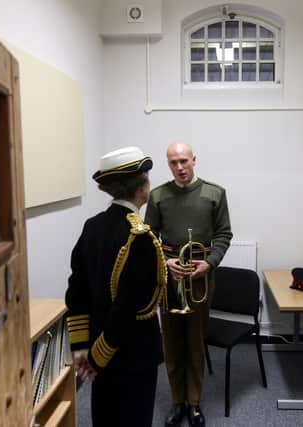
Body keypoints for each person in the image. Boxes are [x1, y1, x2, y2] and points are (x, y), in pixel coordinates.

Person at [65, 146, 168, 427]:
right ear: (143, 188)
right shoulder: (141, 237)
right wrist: (97, 359)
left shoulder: (92, 226)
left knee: (105, 418)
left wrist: (82, 348)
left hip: (98, 346)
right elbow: (127, 308)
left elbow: (77, 291)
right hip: (132, 356)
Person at [145, 141, 232, 427]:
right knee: (171, 343)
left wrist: (210, 262)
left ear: (194, 159)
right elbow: (149, 238)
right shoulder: (157, 196)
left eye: (184, 161)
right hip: (169, 277)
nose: (180, 167)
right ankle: (177, 401)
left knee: (195, 342)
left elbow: (223, 234)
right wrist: (163, 262)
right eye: (173, 163)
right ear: (168, 165)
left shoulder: (214, 194)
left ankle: (194, 403)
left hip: (200, 276)